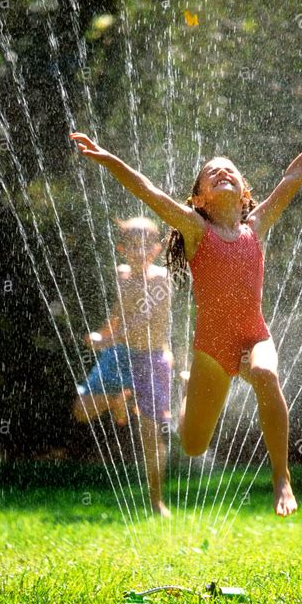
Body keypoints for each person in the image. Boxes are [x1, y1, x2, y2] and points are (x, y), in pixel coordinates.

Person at [70, 93, 302, 516]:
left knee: (265, 374)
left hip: (254, 335)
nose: (220, 172)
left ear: (243, 192)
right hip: (211, 352)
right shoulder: (196, 230)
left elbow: (294, 177)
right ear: (198, 199)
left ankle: (281, 477)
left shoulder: (257, 226)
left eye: (229, 170)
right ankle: (185, 389)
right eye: (210, 172)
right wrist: (109, 159)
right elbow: (148, 191)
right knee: (193, 442)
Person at [73, 216, 173, 518]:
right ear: (122, 249)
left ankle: (156, 501)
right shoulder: (122, 275)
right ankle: (121, 396)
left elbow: (141, 320)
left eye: (146, 247)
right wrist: (102, 334)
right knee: (81, 410)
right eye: (133, 248)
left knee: (149, 432)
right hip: (121, 352)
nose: (140, 253)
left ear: (156, 250)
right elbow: (119, 314)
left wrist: (106, 340)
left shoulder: (161, 280)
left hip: (152, 358)